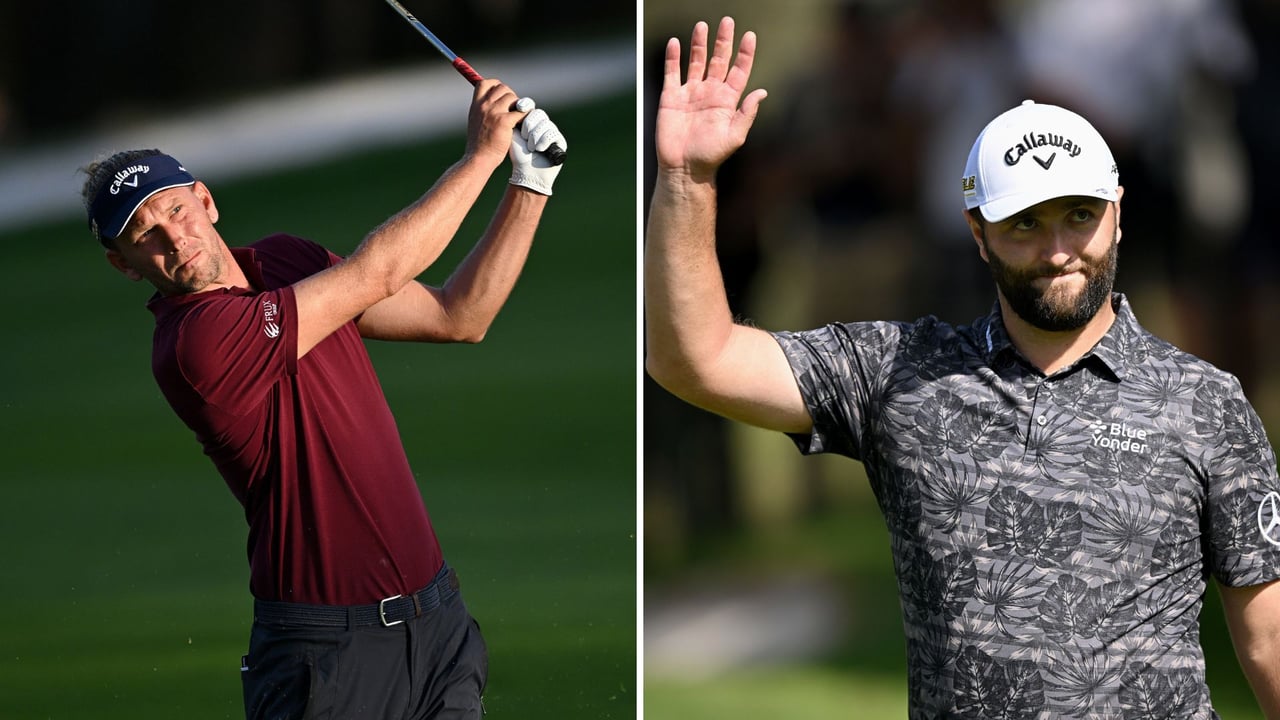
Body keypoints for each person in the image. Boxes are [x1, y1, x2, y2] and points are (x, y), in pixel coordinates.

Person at [645, 17, 1280, 718]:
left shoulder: (1205, 403)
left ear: (1118, 214)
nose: (1059, 248)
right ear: (978, 234)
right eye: (1025, 224)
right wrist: (689, 179)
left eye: (1079, 214)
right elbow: (693, 359)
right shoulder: (899, 373)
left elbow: (1269, 639)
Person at [81, 79, 565, 719]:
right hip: (326, 653)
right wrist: (479, 157)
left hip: (438, 620)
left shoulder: (287, 262)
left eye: (173, 209)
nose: (173, 237)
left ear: (205, 200)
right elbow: (376, 272)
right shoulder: (194, 344)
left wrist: (530, 183)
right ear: (124, 263)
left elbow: (459, 314)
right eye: (143, 234)